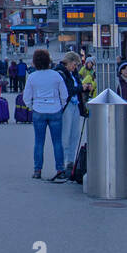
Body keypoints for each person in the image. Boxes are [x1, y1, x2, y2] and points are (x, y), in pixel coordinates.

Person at [23, 48, 69, 181]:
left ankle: (37, 170)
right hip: (55, 109)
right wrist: (60, 106)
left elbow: (26, 97)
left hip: (39, 109)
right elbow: (64, 95)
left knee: (39, 142)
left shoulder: (32, 77)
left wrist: (32, 107)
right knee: (57, 142)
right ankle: (60, 169)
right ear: (48, 61)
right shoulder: (56, 75)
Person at [56, 52, 84, 170]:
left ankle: (71, 160)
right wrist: (82, 88)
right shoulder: (60, 73)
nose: (75, 67)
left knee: (75, 134)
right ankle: (62, 161)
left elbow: (76, 87)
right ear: (68, 62)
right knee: (65, 135)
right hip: (66, 105)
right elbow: (68, 90)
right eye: (74, 64)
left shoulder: (74, 74)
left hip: (75, 105)